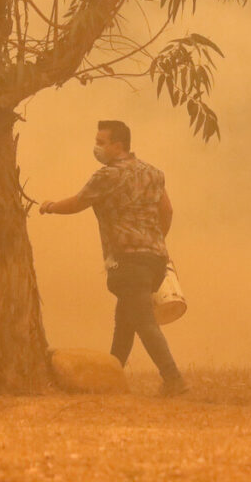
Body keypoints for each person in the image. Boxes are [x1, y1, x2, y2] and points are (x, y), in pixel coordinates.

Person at [39, 120, 187, 397]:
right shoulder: (153, 173)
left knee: (143, 321)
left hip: (127, 260)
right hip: (155, 259)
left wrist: (50, 207)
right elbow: (167, 211)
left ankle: (173, 379)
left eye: (101, 142)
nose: (97, 148)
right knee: (126, 320)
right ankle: (111, 375)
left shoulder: (106, 176)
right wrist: (155, 242)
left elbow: (78, 202)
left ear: (118, 146)